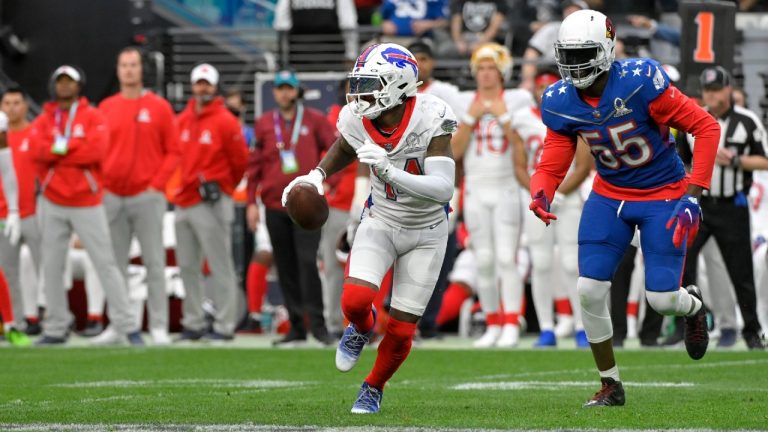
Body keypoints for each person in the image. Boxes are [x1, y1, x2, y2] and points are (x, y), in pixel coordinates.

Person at [528, 10, 721, 406]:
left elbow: (706, 127)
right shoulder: (560, 100)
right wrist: (542, 190)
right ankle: (610, 384)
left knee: (662, 299)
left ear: (604, 50)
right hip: (610, 195)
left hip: (663, 193)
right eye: (567, 54)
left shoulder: (639, 82)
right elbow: (555, 154)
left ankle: (693, 306)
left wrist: (694, 195)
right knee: (588, 288)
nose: (572, 65)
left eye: (582, 54)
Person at [282, 43, 457, 413]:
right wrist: (315, 176)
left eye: (370, 83)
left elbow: (443, 188)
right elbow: (345, 145)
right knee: (355, 301)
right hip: (382, 218)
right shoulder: (358, 118)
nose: (360, 93)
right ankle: (361, 327)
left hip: (427, 230)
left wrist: (390, 171)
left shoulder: (432, 115)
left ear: (397, 84)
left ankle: (374, 386)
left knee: (402, 327)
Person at [31, 65, 141, 346]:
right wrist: (73, 148)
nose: (65, 86)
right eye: (61, 81)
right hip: (53, 200)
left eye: (71, 82)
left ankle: (127, 326)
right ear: (53, 85)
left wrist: (60, 152)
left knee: (106, 263)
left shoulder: (93, 115)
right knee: (52, 266)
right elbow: (37, 152)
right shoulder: (45, 118)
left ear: (80, 86)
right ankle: (56, 327)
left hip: (87, 201)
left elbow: (97, 150)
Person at [676, 66, 768, 350]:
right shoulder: (694, 119)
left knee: (741, 272)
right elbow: (681, 163)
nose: (713, 96)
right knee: (682, 263)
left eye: (717, 90)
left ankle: (751, 330)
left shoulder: (747, 121)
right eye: (708, 91)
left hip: (731, 206)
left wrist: (736, 161)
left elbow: (764, 161)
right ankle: (689, 326)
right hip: (701, 205)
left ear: (729, 89)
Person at [451, 43, 534, 348]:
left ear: (502, 71)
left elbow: (524, 146)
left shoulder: (516, 101)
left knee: (505, 258)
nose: (486, 75)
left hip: (506, 187)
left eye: (491, 68)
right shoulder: (464, 103)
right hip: (475, 187)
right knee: (483, 260)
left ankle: (511, 321)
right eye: (481, 68)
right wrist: (471, 120)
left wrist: (505, 119)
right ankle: (491, 323)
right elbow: (454, 152)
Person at [247, 69, 336, 346]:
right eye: (280, 88)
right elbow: (254, 166)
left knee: (308, 263)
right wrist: (251, 202)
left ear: (298, 91)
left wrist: (329, 182)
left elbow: (336, 150)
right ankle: (296, 326)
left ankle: (318, 325)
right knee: (284, 265)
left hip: (305, 204)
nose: (284, 93)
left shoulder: (314, 120)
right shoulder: (264, 123)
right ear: (274, 92)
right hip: (274, 203)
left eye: (289, 88)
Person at [98, 47, 179, 345]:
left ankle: (158, 326)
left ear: (141, 70)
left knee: (154, 262)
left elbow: (173, 151)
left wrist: (156, 184)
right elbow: (96, 151)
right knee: (113, 264)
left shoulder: (159, 107)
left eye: (133, 65)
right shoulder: (105, 108)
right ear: (118, 70)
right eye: (124, 65)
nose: (129, 70)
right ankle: (118, 325)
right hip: (112, 196)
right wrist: (103, 185)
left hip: (147, 196)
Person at [512, 68, 592, 348]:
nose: (544, 91)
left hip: (567, 199)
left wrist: (559, 191)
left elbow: (584, 164)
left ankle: (582, 326)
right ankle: (547, 328)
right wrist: (540, 194)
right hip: (536, 200)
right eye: (540, 86)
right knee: (542, 264)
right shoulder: (521, 120)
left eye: (550, 86)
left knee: (572, 263)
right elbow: (519, 166)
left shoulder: (572, 113)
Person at [173, 63, 248, 341]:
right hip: (184, 200)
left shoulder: (226, 121)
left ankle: (224, 325)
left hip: (212, 202)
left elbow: (240, 162)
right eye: (198, 83)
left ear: (215, 86)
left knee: (220, 265)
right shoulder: (182, 120)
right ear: (193, 86)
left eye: (207, 83)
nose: (202, 88)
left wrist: (224, 188)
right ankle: (192, 322)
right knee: (187, 266)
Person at [0, 88, 43, 334]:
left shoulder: (35, 133)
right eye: (7, 103)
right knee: (7, 273)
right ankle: (14, 323)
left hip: (34, 212)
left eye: (17, 102)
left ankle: (47, 319)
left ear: (25, 106)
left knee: (45, 269)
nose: (13, 108)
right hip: (3, 215)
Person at [519, 0, 587, 92]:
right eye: (568, 10)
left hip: (583, 74)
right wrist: (528, 80)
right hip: (551, 71)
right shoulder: (551, 28)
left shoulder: (593, 32)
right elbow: (531, 54)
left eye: (575, 10)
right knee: (545, 87)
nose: (571, 13)